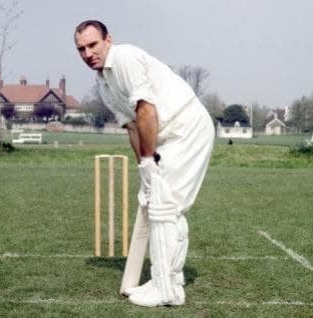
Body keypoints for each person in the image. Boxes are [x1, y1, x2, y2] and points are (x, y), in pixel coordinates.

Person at [74, 20, 215, 307]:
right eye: (81, 49)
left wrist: (150, 160)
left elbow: (146, 110)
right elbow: (133, 128)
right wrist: (145, 171)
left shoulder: (124, 58)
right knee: (163, 204)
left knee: (165, 207)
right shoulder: (104, 86)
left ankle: (165, 289)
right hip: (167, 138)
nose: (88, 53)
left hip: (185, 127)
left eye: (92, 45)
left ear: (108, 40)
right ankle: (171, 280)